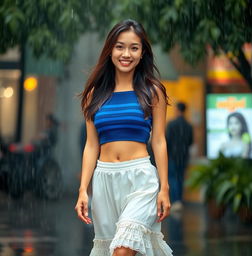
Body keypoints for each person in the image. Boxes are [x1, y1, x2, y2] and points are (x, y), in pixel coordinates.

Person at [75, 19, 173, 256]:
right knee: (111, 250)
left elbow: (158, 140)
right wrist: (82, 189)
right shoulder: (94, 95)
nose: (126, 54)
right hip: (104, 180)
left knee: (122, 250)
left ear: (142, 53)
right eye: (120, 47)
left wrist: (164, 187)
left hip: (141, 179)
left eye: (134, 48)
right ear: (110, 50)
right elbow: (91, 145)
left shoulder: (153, 91)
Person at [166, 102, 193, 211]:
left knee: (173, 178)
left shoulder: (171, 124)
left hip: (172, 155)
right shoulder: (189, 125)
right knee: (181, 178)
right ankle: (180, 200)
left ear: (177, 110)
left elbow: (167, 141)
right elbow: (191, 141)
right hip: (184, 156)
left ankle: (175, 201)